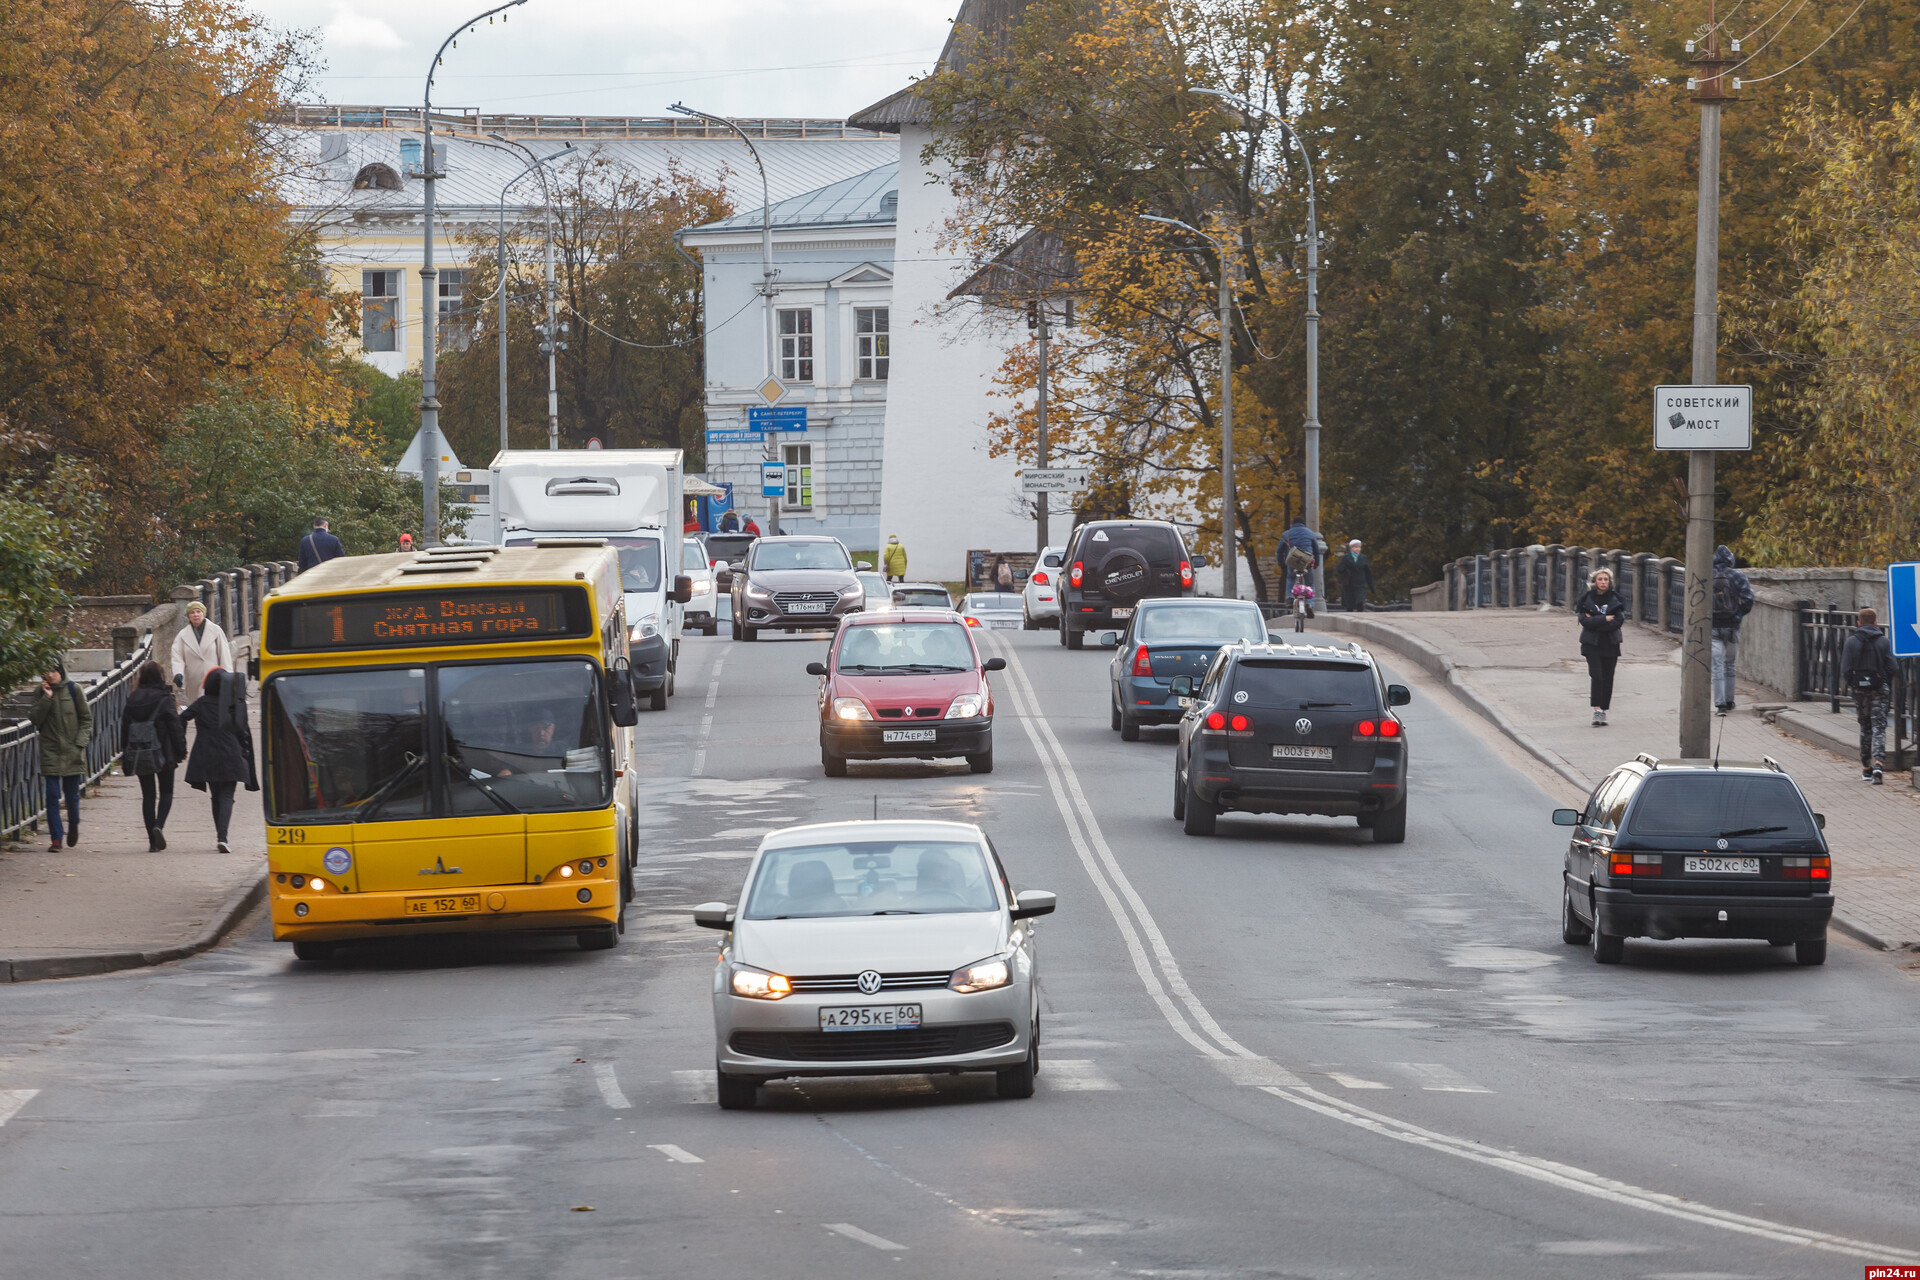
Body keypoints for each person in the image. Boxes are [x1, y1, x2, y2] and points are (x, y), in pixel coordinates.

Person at [184, 669, 257, 854]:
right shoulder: (234, 704)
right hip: (231, 754)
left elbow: (182, 717)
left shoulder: (202, 703)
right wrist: (245, 752)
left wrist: (181, 740)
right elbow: (243, 731)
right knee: (226, 796)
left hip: (206, 755)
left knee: (215, 796)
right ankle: (222, 837)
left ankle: (220, 835)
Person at [122, 660, 186, 851]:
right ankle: (159, 825)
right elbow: (175, 726)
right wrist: (181, 750)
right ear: (160, 676)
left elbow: (125, 727)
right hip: (164, 753)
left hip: (140, 752)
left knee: (148, 795)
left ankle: (152, 842)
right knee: (166, 792)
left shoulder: (132, 699)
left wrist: (125, 752)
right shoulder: (164, 697)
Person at [29, 659, 91, 851]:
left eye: (54, 671)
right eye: (46, 672)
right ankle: (56, 838)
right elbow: (35, 718)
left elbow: (86, 719)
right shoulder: (40, 693)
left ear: (61, 671)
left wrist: (80, 743)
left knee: (72, 796)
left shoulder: (74, 689)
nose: (50, 675)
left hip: (72, 750)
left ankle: (73, 825)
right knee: (52, 795)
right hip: (50, 750)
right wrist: (47, 698)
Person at [1841, 606, 1899, 785]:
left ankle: (1866, 768)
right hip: (1879, 690)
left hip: (1860, 691)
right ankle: (1879, 764)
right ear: (1875, 622)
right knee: (1879, 727)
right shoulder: (1883, 641)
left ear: (1858, 622)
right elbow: (1893, 667)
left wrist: (1855, 683)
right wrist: (1883, 679)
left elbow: (1845, 670)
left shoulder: (1851, 642)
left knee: (1864, 727)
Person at [1576, 568, 1627, 727]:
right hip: (1592, 644)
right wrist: (1604, 618)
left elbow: (1617, 622)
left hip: (1610, 644)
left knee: (1608, 678)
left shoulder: (1616, 599)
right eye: (1600, 579)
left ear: (1609, 581)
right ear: (1595, 582)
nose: (1603, 582)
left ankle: (1603, 710)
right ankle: (1597, 710)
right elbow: (1584, 621)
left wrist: (1596, 622)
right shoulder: (1586, 599)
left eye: (1606, 579)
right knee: (1597, 676)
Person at [1710, 544, 1755, 714]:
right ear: (1731, 560)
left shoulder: (1707, 576)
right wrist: (1737, 616)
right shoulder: (1738, 576)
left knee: (1717, 665)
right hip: (1732, 627)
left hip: (1713, 627)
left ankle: (1720, 705)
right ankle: (1730, 701)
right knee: (1730, 664)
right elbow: (1749, 599)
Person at [170, 601, 232, 702]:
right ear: (188, 616)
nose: (196, 615)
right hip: (193, 679)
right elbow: (177, 656)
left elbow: (224, 654)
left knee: (212, 708)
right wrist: (178, 673)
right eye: (192, 612)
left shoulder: (216, 631)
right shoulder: (182, 635)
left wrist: (228, 675)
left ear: (203, 613)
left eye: (198, 611)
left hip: (214, 678)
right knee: (197, 708)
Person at [1279, 518, 1321, 596]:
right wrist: (1316, 564)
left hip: (1292, 561)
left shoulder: (1286, 534)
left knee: (1290, 578)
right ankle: (1309, 603)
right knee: (1310, 583)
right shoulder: (1310, 533)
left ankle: (1289, 597)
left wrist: (1282, 564)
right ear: (1303, 524)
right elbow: (1316, 550)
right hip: (1307, 561)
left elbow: (1279, 551)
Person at [1336, 539, 1375, 612]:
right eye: (1356, 547)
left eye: (1359, 547)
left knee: (1360, 601)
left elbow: (1368, 572)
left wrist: (1371, 586)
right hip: (1349, 583)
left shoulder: (1363, 558)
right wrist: (1346, 567)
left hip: (1361, 583)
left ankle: (1360, 614)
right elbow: (1339, 569)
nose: (1358, 549)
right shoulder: (1346, 558)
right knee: (1349, 603)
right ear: (1351, 548)